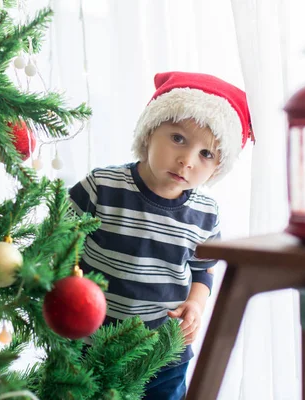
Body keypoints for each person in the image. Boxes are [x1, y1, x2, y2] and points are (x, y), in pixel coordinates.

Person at [69, 71, 254, 400]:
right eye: (178, 139)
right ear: (151, 130)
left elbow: (203, 271)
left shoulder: (205, 214)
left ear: (218, 167)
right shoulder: (102, 186)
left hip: (162, 353)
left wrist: (195, 306)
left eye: (206, 154)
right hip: (90, 341)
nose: (186, 160)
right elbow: (59, 239)